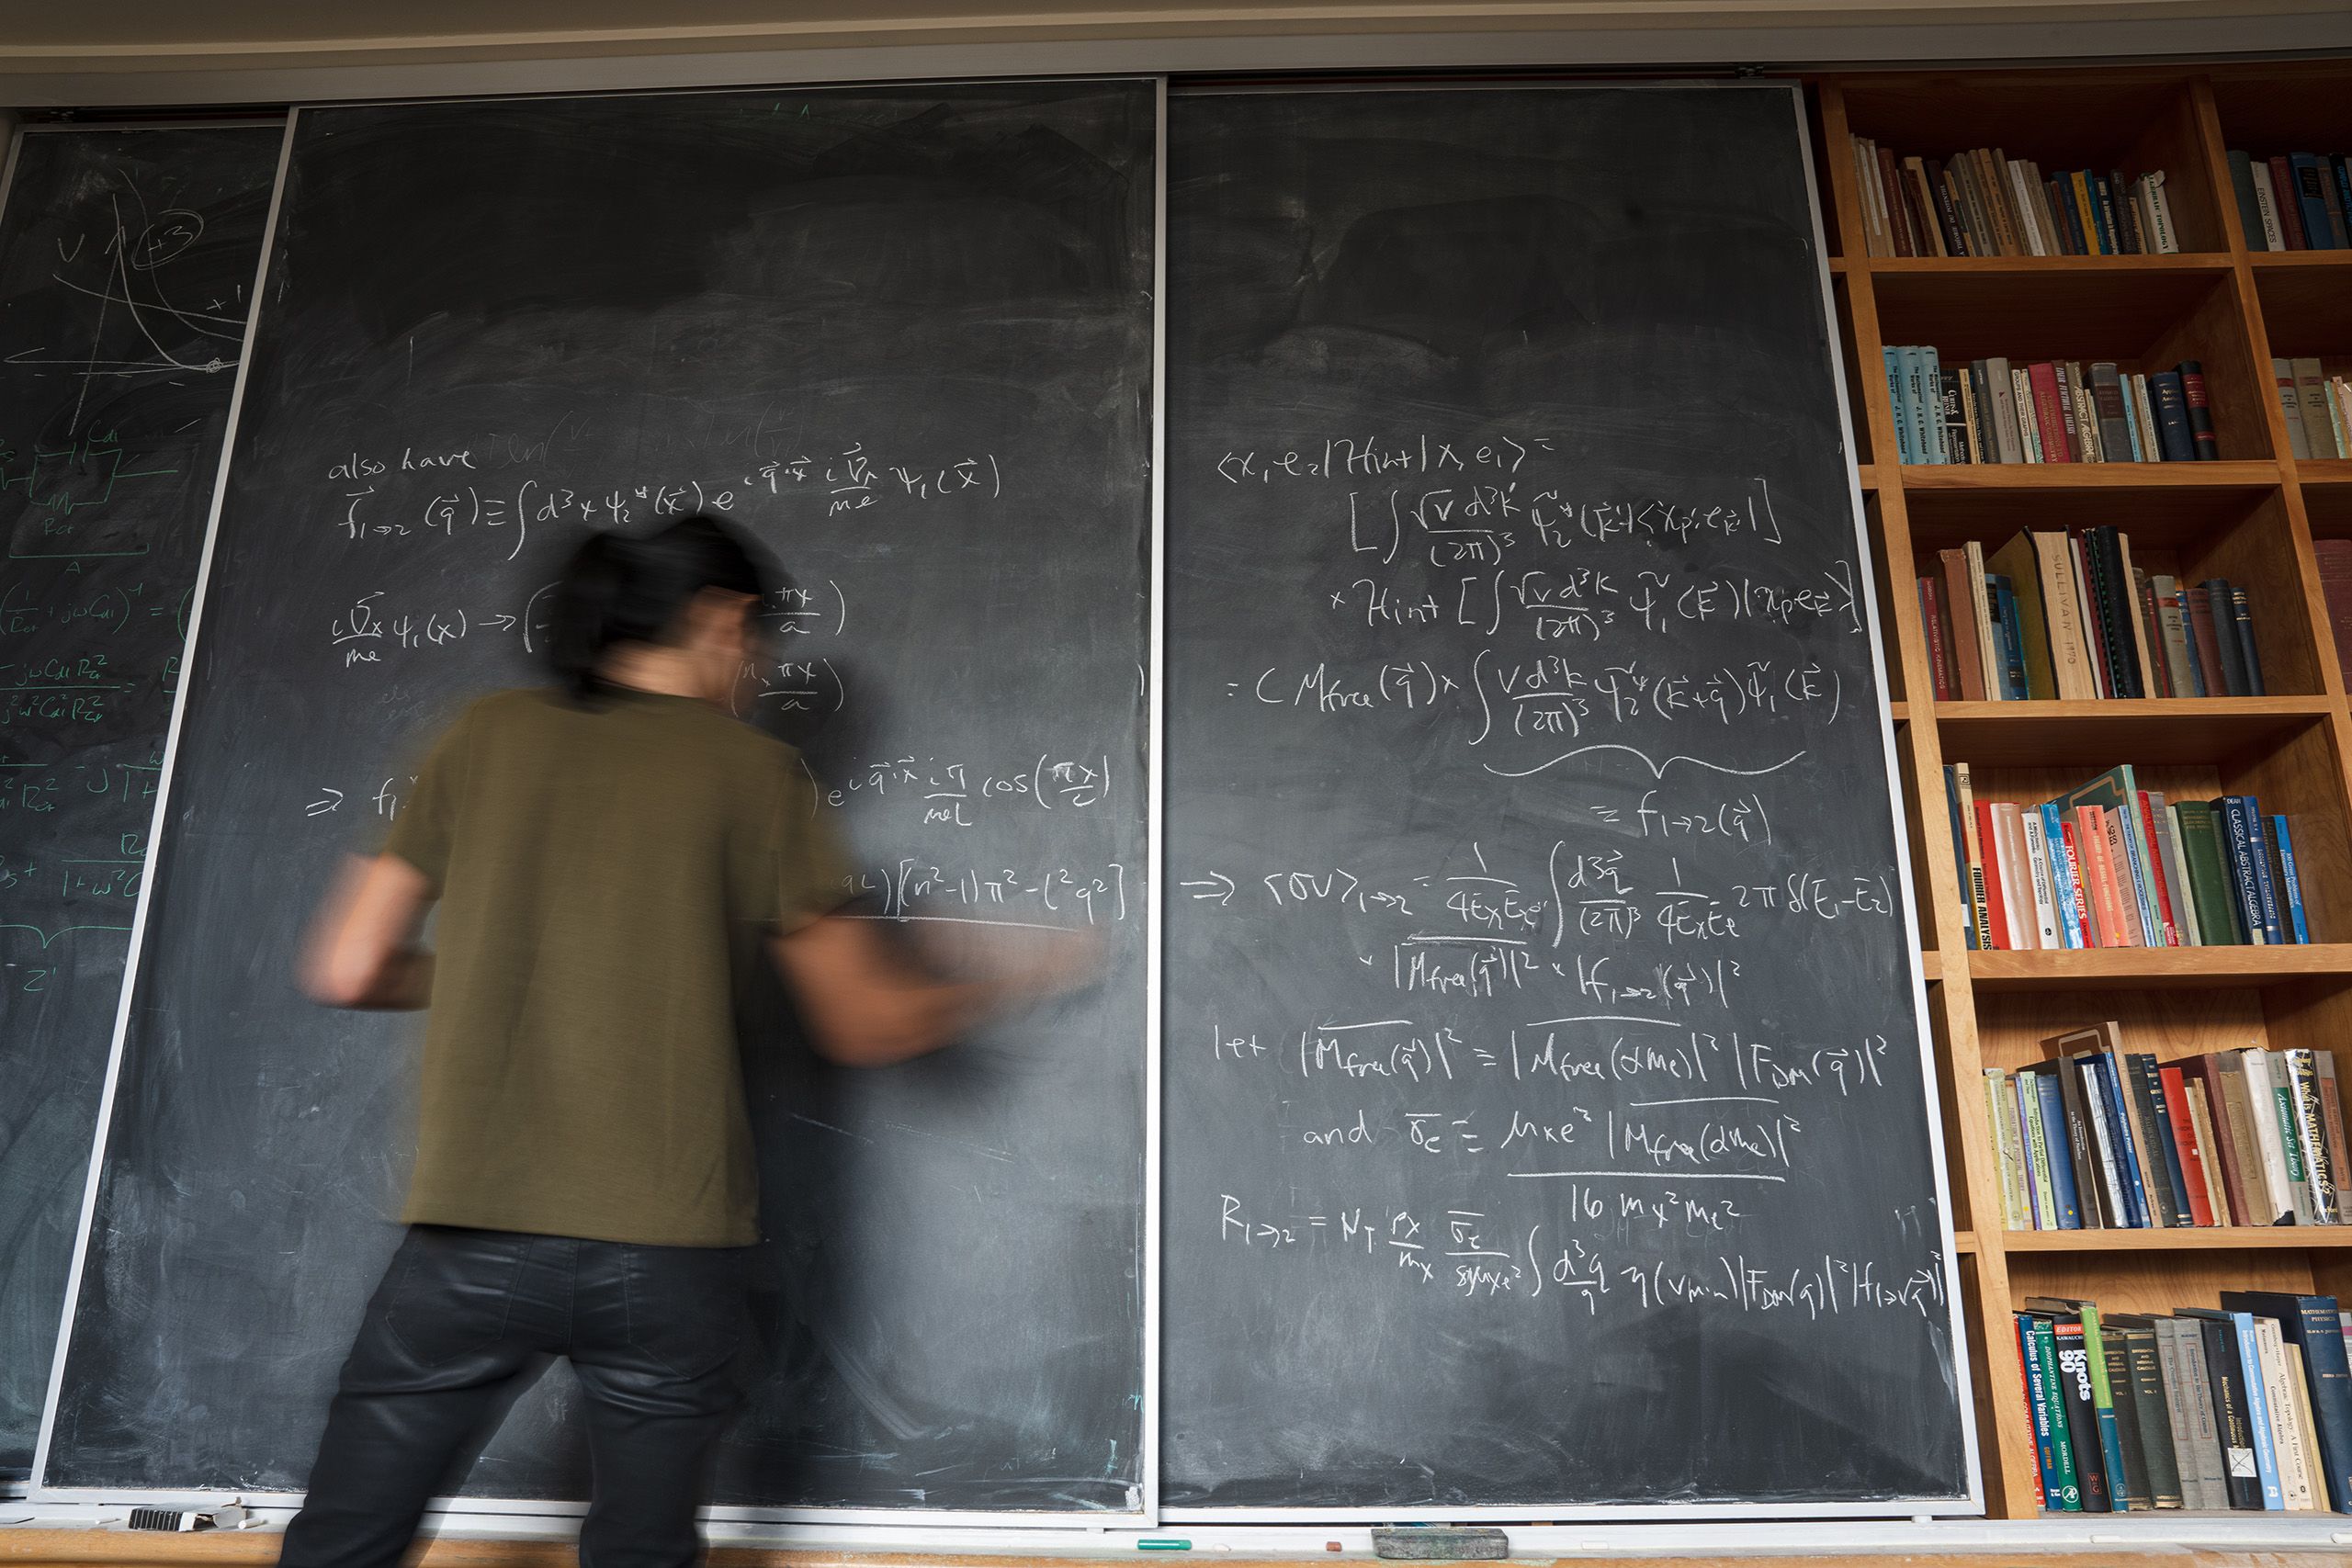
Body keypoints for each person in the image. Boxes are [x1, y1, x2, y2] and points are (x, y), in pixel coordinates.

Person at [279, 514, 1089, 1568]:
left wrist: (493, 972)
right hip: (664, 1255)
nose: (756, 676)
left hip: (468, 1242)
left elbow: (347, 966)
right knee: (642, 1553)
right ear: (723, 619)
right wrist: (1016, 972)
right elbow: (865, 1022)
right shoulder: (753, 775)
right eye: (761, 650)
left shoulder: (481, 733)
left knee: (343, 1545)